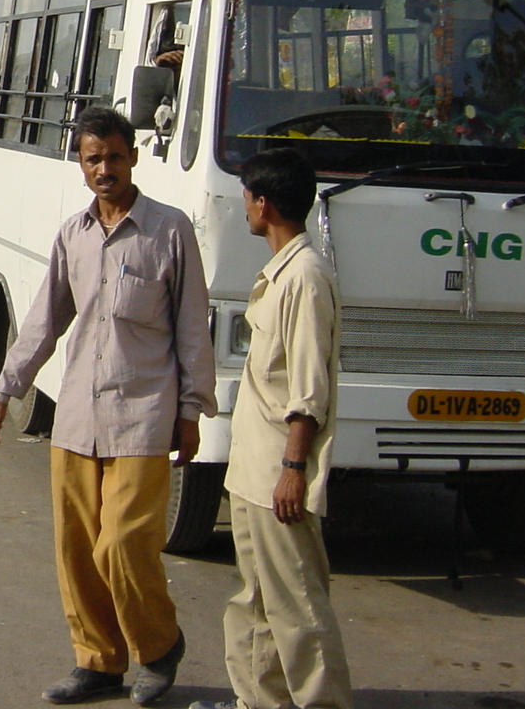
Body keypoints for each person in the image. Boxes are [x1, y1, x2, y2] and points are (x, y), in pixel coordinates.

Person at [0, 105, 216, 707]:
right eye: (93, 158)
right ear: (79, 164)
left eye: (114, 155)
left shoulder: (169, 229)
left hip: (144, 413)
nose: (104, 168)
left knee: (124, 544)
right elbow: (44, 319)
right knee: (77, 548)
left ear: (133, 156)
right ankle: (99, 663)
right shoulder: (72, 234)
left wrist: (191, 408)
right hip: (78, 414)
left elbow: (192, 326)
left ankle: (159, 648)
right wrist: (6, 389)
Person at [190, 148, 352, 709]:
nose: (245, 209)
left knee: (297, 607)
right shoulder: (282, 271)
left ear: (263, 204)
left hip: (277, 473)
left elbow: (308, 391)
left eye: (247, 198)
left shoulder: (304, 277)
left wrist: (292, 470)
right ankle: (259, 701)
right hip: (253, 468)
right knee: (255, 602)